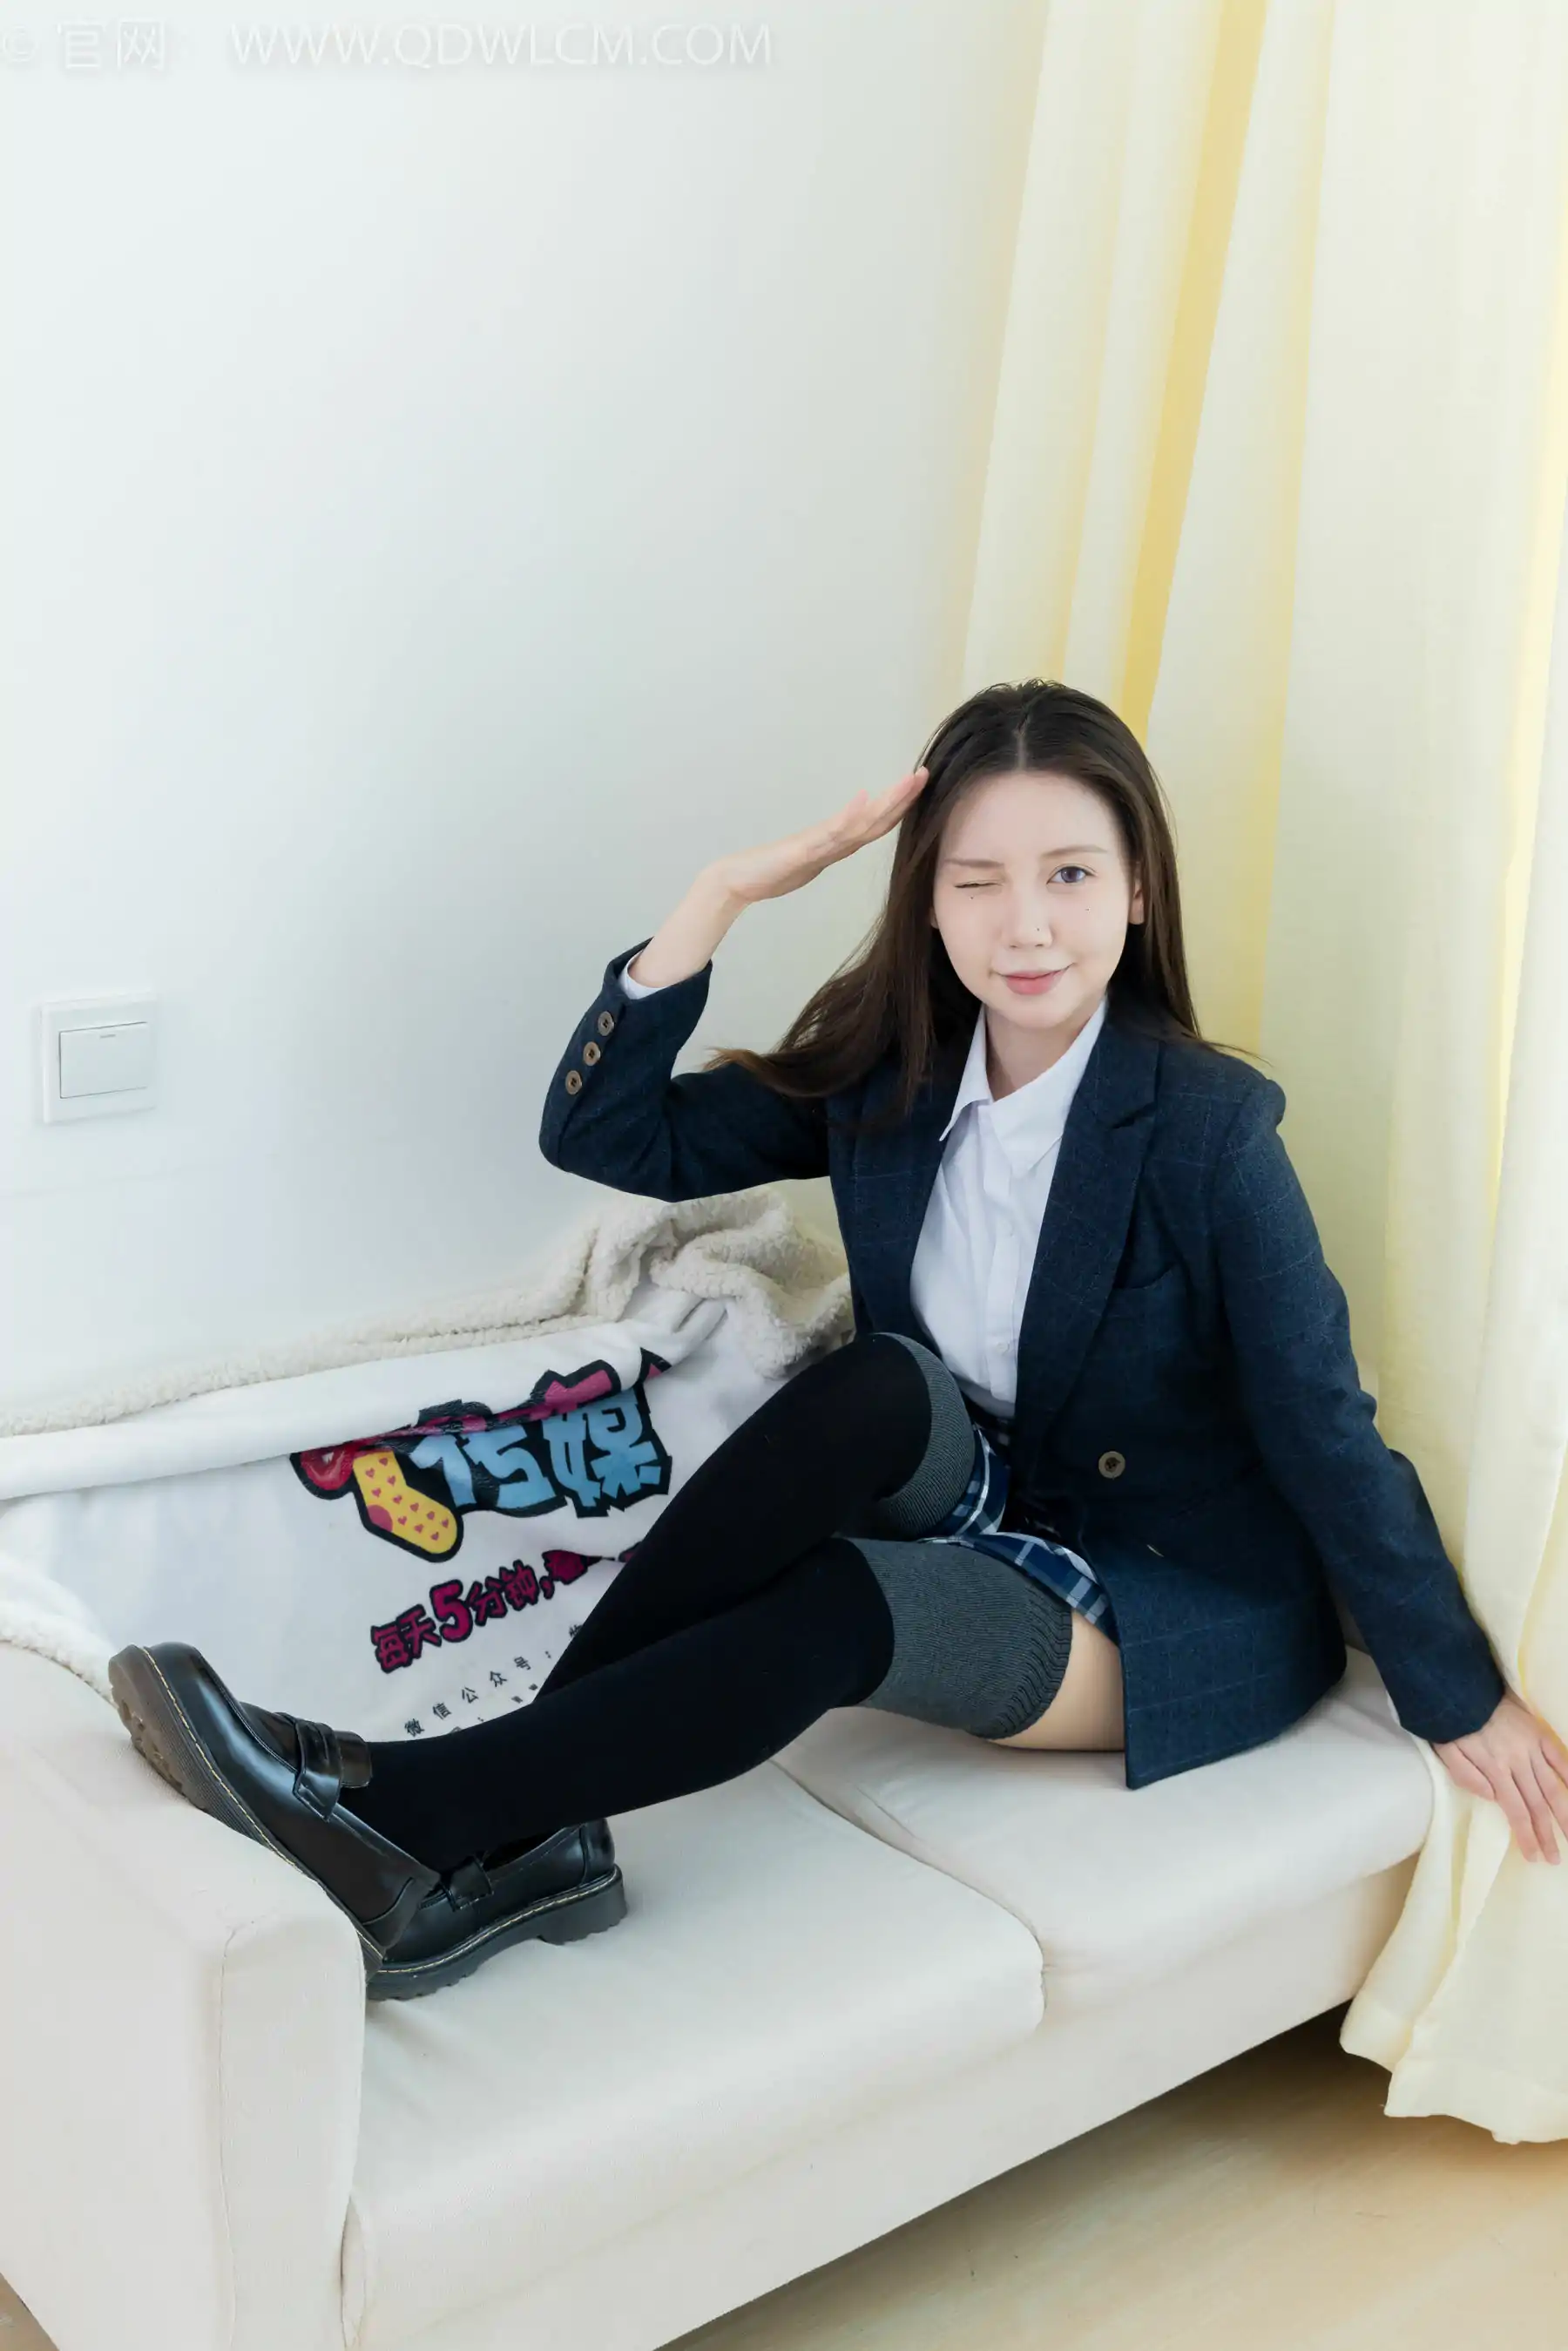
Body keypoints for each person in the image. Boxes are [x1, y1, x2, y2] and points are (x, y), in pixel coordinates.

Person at [110, 680, 1568, 2000]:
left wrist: (1457, 1690)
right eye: (978, 880)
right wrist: (725, 895)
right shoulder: (894, 1082)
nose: (1027, 924)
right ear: (927, 901)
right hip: (992, 1489)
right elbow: (607, 1133)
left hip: (1162, 1584)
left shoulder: (1209, 1130)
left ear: (1137, 893)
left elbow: (1322, 1421)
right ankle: (528, 1815)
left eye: (1070, 875)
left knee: (835, 1603)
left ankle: (417, 1812)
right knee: (877, 1385)